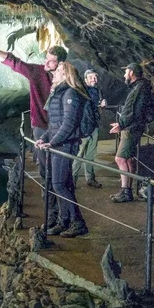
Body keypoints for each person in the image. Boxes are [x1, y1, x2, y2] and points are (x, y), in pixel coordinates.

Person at [35, 62, 90, 238]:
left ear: (67, 75)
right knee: (62, 184)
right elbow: (55, 124)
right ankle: (64, 220)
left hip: (65, 145)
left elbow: (69, 124)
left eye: (59, 71)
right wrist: (44, 138)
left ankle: (77, 222)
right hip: (59, 143)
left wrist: (52, 142)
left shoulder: (70, 93)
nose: (55, 73)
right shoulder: (59, 93)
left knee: (59, 184)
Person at [0, 38, 66, 140]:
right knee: (41, 154)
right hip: (41, 126)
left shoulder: (68, 78)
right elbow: (12, 62)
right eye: (46, 59)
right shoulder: (38, 72)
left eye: (51, 61)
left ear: (60, 63)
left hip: (60, 127)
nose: (46, 63)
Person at [108, 63, 151, 203]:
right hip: (133, 127)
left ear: (131, 72)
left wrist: (121, 124)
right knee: (128, 159)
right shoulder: (141, 87)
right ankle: (126, 190)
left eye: (126, 72)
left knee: (120, 159)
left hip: (131, 128)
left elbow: (133, 110)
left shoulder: (139, 89)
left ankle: (126, 191)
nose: (124, 75)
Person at [79, 69, 107, 188]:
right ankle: (72, 180)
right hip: (83, 128)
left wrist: (102, 104)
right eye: (90, 77)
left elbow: (97, 109)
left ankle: (90, 178)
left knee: (90, 155)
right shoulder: (81, 92)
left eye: (95, 77)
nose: (93, 79)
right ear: (85, 80)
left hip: (94, 126)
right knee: (78, 156)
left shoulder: (98, 92)